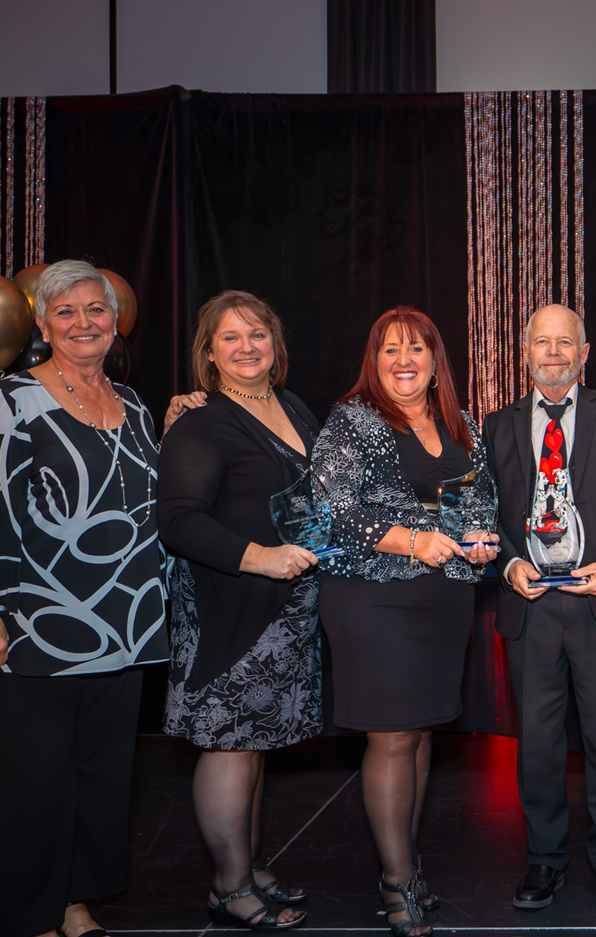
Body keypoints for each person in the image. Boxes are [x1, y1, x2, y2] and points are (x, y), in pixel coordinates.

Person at [313, 306, 499, 937]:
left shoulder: (458, 421)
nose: (403, 361)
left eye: (416, 350)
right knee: (391, 737)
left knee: (419, 736)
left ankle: (410, 866)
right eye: (390, 350)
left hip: (443, 601)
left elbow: (482, 500)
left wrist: (480, 539)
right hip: (373, 599)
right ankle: (396, 884)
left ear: (434, 361)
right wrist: (412, 541)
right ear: (375, 359)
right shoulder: (350, 420)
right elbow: (334, 511)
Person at [0, 260, 169, 937]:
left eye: (94, 309)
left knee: (102, 776)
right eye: (64, 312)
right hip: (40, 617)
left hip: (125, 618)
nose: (82, 323)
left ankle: (74, 901)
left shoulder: (135, 405)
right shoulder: (13, 400)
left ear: (114, 320)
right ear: (41, 324)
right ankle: (30, 912)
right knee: (36, 780)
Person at [159, 290, 323, 931]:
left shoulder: (295, 408)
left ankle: (249, 867)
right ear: (208, 352)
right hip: (232, 606)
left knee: (255, 745)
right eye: (230, 338)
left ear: (275, 345)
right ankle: (228, 886)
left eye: (257, 334)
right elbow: (176, 520)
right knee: (228, 744)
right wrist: (258, 556)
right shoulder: (201, 422)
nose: (247, 347)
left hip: (289, 607)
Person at [484, 303, 596, 916]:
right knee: (538, 744)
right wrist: (506, 563)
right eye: (541, 342)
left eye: (565, 343)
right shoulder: (497, 425)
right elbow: (486, 519)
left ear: (585, 352)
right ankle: (546, 859)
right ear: (524, 352)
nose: (553, 353)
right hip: (530, 605)